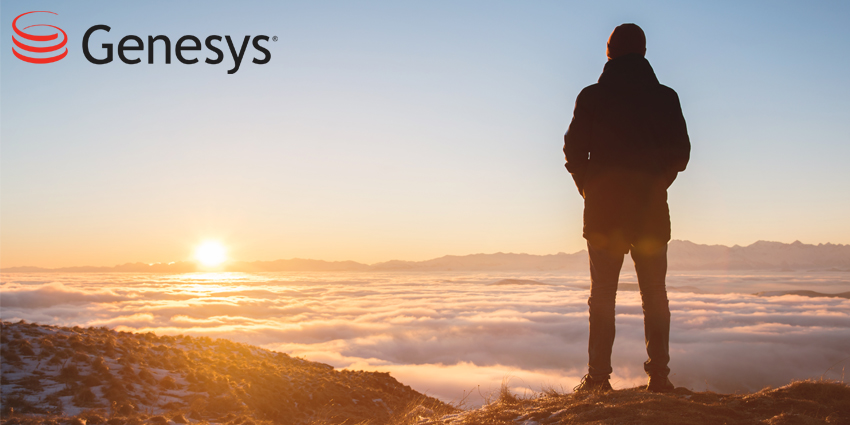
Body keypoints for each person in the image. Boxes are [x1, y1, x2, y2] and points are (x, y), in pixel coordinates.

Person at [564, 23, 690, 393]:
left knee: (603, 294)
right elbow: (680, 154)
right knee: (655, 294)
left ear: (610, 52)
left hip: (604, 213)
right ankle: (661, 379)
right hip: (650, 213)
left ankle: (598, 379)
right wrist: (656, 183)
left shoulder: (591, 97)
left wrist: (589, 188)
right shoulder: (666, 97)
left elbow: (573, 150)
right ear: (644, 52)